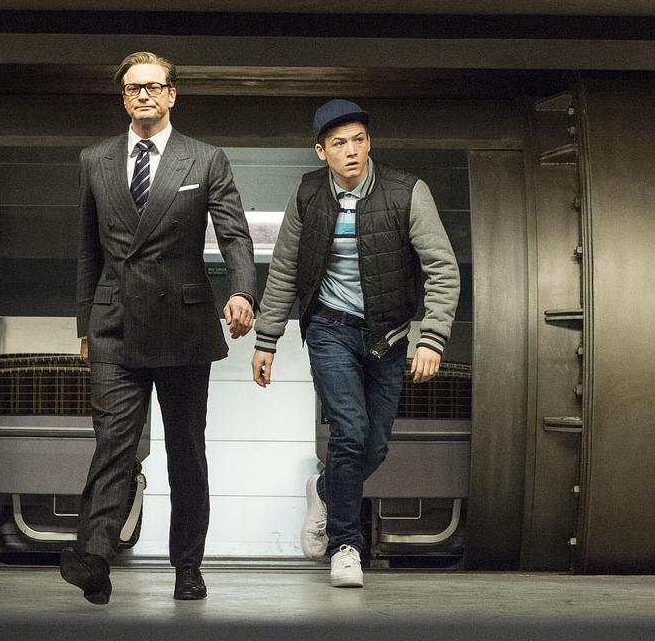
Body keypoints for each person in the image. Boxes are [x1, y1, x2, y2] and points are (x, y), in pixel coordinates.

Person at [63, 51, 257, 604]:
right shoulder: (95, 159)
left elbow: (234, 234)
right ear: (123, 98)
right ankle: (95, 558)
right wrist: (85, 325)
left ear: (172, 94)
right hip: (114, 325)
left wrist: (242, 291)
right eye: (133, 88)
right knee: (113, 447)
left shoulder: (205, 158)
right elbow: (87, 249)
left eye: (153, 86)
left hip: (183, 325)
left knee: (185, 454)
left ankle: (187, 566)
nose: (143, 95)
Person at [251, 99, 459, 587]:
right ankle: (346, 546)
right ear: (321, 151)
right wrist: (267, 339)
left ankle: (324, 490)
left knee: (375, 445)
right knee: (348, 432)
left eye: (359, 141)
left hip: (388, 335)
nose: (351, 151)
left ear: (369, 143)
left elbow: (442, 267)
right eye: (340, 143)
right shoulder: (308, 194)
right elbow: (284, 269)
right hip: (330, 328)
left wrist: (432, 338)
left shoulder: (407, 192)